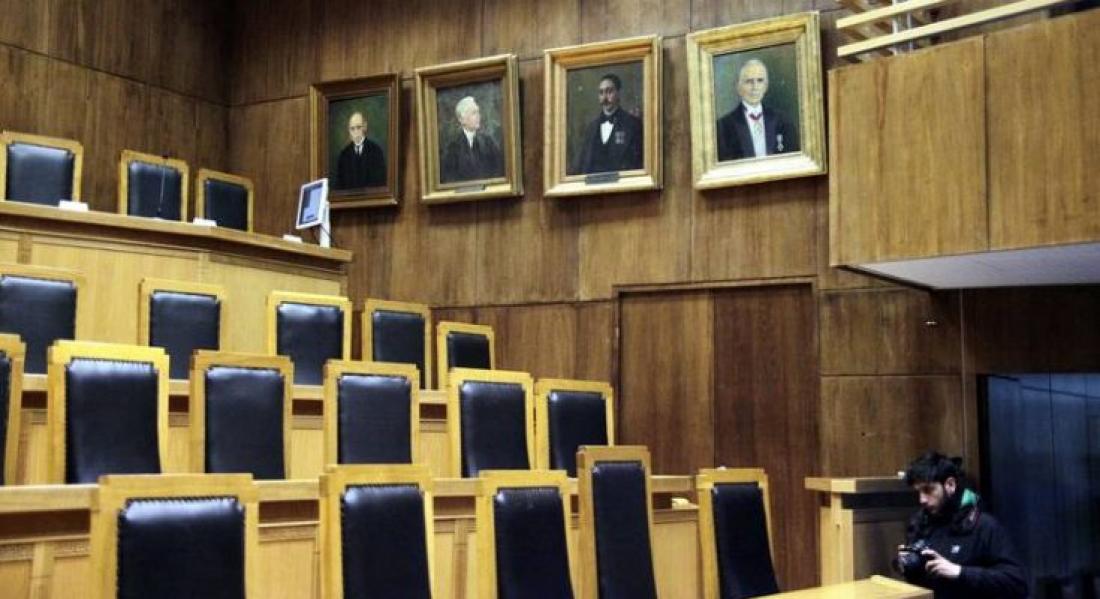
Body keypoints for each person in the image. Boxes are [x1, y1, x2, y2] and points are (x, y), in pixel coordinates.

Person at [895, 452, 1028, 599]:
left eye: (928, 490)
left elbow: (1016, 584)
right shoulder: (920, 523)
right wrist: (909, 565)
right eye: (918, 492)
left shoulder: (984, 526)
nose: (922, 500)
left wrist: (959, 572)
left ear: (950, 485)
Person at [716, 58, 800, 162]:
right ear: (738, 87)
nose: (755, 87)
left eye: (760, 80)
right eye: (749, 81)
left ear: (766, 86)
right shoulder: (723, 127)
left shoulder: (783, 121)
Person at [572, 73, 644, 175]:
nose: (604, 98)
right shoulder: (591, 128)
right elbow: (581, 164)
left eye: (609, 91)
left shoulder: (632, 124)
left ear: (618, 93)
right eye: (601, 93)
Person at [440, 96, 504, 184]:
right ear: (462, 119)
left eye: (478, 112)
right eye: (474, 113)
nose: (479, 116)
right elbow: (448, 178)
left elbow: (499, 169)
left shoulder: (488, 142)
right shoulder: (452, 147)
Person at [333, 111, 386, 190]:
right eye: (352, 129)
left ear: (365, 127)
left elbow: (381, 182)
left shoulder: (376, 151)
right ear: (349, 131)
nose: (356, 132)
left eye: (358, 127)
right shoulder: (344, 155)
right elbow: (339, 185)